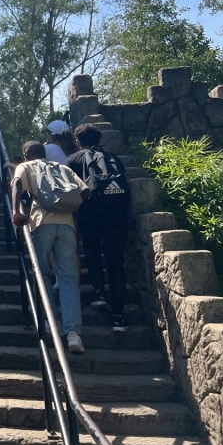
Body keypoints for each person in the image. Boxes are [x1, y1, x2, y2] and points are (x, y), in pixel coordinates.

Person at [10, 140, 89, 353]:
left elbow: (17, 184)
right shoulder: (61, 167)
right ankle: (73, 334)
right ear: (44, 152)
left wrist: (16, 211)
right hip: (67, 225)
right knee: (68, 278)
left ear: (26, 154)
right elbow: (84, 192)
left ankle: (51, 324)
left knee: (43, 273)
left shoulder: (26, 167)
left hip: (41, 223)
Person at [65, 123, 132, 332]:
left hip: (90, 215)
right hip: (117, 217)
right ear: (100, 139)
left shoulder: (73, 160)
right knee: (115, 264)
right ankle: (119, 315)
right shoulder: (113, 158)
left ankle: (99, 293)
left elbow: (68, 189)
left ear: (78, 142)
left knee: (92, 252)